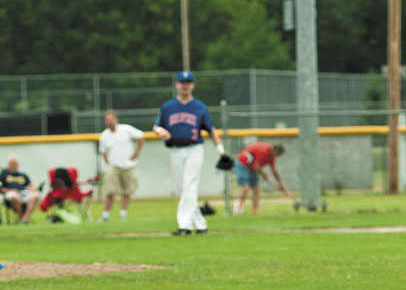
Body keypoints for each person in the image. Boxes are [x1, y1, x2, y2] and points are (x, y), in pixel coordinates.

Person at [153, 71, 225, 236]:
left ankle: (184, 225)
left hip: (194, 150)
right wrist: (160, 131)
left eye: (188, 82)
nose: (185, 85)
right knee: (183, 188)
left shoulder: (200, 107)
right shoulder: (168, 107)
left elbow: (210, 130)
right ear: (177, 84)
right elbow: (156, 126)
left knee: (189, 185)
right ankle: (200, 224)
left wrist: (221, 151)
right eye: (182, 82)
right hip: (175, 150)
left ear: (192, 85)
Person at [98, 109, 145, 223]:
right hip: (114, 166)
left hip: (128, 165)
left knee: (127, 191)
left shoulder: (126, 129)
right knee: (109, 191)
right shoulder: (104, 135)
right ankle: (106, 214)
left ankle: (123, 214)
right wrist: (108, 164)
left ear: (116, 119)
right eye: (107, 120)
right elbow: (103, 151)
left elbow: (141, 136)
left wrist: (136, 153)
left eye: (111, 119)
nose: (109, 121)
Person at [233, 142, 293, 215]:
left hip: (252, 168)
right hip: (243, 165)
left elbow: (274, 170)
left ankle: (254, 212)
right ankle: (238, 206)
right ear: (273, 150)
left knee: (256, 190)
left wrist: (280, 183)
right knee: (246, 187)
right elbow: (256, 166)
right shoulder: (264, 151)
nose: (276, 156)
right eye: (276, 154)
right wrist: (264, 174)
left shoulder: (272, 157)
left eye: (278, 155)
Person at [0, 155, 39, 224]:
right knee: (14, 196)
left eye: (15, 164)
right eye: (12, 164)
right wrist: (9, 190)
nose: (14, 165)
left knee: (35, 195)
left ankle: (24, 219)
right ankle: (22, 217)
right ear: (8, 165)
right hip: (11, 194)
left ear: (18, 165)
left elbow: (31, 185)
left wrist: (33, 189)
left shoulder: (23, 175)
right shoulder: (4, 174)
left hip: (24, 194)